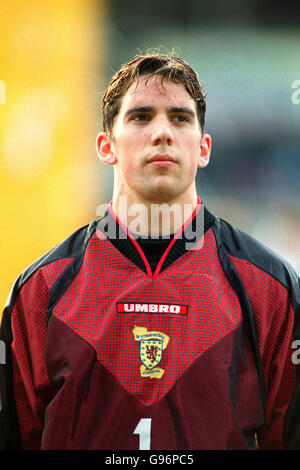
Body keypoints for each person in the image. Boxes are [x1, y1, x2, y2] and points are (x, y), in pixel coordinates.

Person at [0, 51, 299, 451]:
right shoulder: (41, 289)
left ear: (204, 148)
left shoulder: (268, 287)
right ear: (106, 146)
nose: (162, 132)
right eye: (141, 116)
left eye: (180, 117)